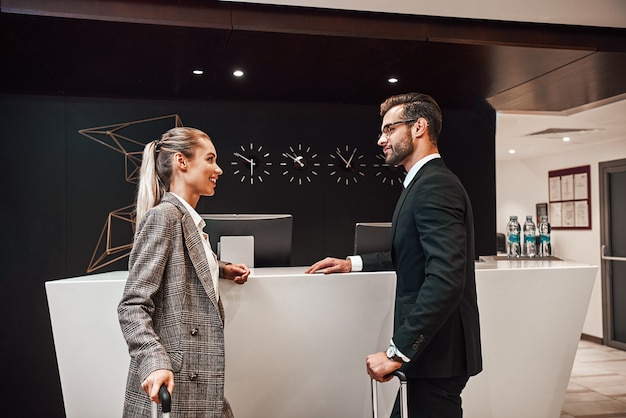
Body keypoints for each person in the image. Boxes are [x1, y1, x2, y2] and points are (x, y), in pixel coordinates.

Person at [306, 93, 482, 418]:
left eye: (389, 130)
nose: (380, 140)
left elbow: (445, 278)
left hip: (437, 356)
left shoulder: (435, 186)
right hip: (431, 357)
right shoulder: (421, 184)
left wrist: (397, 351)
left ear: (419, 127)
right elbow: (411, 254)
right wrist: (352, 263)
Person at [118, 127, 250, 417]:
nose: (219, 169)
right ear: (182, 161)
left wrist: (222, 269)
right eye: (210, 159)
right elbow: (132, 305)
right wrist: (153, 361)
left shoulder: (188, 221)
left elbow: (186, 265)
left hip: (199, 380)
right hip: (173, 384)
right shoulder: (163, 217)